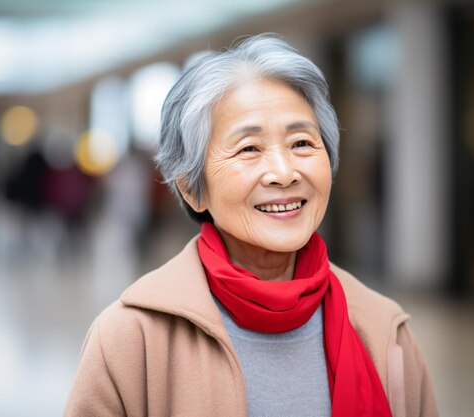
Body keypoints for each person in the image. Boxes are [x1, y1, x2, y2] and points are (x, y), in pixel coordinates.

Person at [65, 33, 438, 417]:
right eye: (249, 149)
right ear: (193, 190)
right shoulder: (132, 339)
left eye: (302, 144)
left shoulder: (384, 331)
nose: (283, 172)